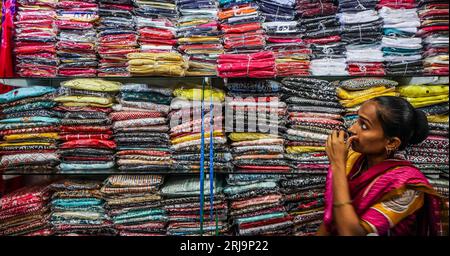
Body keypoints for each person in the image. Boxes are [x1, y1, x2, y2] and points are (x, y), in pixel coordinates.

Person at [317, 96, 445, 236]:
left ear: (391, 143)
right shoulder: (352, 159)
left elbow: (352, 233)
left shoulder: (407, 187)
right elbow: (330, 218)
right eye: (357, 120)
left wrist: (337, 165)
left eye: (364, 125)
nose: (351, 129)